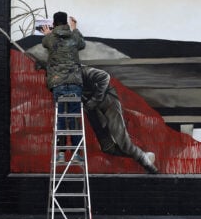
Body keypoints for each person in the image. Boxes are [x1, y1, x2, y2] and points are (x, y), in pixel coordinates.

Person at [81, 65, 158, 174]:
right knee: (108, 148)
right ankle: (142, 155)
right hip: (92, 110)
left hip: (108, 102)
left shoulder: (84, 71)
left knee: (123, 143)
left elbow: (104, 76)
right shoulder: (61, 78)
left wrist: (95, 99)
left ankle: (148, 164)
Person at [41, 11, 85, 161]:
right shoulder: (74, 36)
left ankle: (61, 154)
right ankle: (76, 153)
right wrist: (75, 28)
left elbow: (45, 42)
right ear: (66, 22)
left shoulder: (50, 38)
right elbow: (82, 44)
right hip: (74, 83)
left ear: (53, 23)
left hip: (58, 83)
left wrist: (48, 32)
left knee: (60, 117)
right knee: (74, 118)